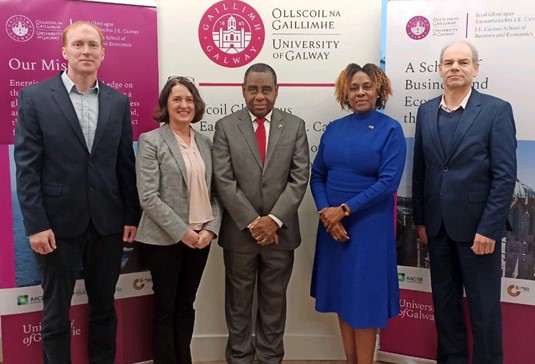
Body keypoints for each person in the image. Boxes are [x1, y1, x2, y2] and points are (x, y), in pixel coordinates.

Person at [14, 21, 140, 363]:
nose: (86, 51)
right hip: (55, 227)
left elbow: (124, 165)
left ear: (103, 52)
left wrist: (131, 215)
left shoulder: (118, 101)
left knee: (104, 309)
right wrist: (35, 225)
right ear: (64, 51)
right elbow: (27, 168)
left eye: (93, 45)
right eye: (79, 44)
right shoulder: (35, 97)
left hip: (108, 226)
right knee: (55, 314)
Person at [412, 41, 517, 364]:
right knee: (445, 307)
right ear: (440, 69)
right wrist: (420, 221)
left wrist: (489, 228)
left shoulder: (496, 110)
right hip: (438, 229)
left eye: (462, 62)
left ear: (475, 69)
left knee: (484, 310)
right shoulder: (426, 111)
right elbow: (421, 171)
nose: (455, 67)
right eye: (448, 62)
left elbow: (504, 176)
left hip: (478, 234)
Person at [212, 63, 309, 363]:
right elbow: (223, 180)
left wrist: (273, 221)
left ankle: (270, 358)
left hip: (281, 234)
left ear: (277, 91)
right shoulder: (226, 127)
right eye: (253, 89)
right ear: (243, 90)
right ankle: (239, 358)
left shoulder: (295, 126)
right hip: (240, 234)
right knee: (238, 304)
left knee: (274, 303)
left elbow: (299, 177)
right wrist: (254, 222)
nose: (259, 96)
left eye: (266, 89)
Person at [310, 63, 406, 364]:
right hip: (332, 228)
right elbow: (317, 176)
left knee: (363, 302)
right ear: (345, 93)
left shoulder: (391, 129)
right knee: (342, 296)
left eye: (366, 86)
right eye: (354, 87)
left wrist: (344, 210)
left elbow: (389, 182)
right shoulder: (334, 128)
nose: (360, 92)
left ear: (378, 90)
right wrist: (328, 214)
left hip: (368, 228)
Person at [135, 76, 222, 364]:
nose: (184, 105)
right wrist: (183, 231)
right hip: (165, 239)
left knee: (186, 305)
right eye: (177, 99)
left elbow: (215, 193)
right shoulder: (151, 141)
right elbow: (148, 197)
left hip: (201, 239)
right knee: (165, 308)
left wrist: (210, 230)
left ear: (196, 105)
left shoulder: (206, 143)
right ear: (166, 105)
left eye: (188, 100)